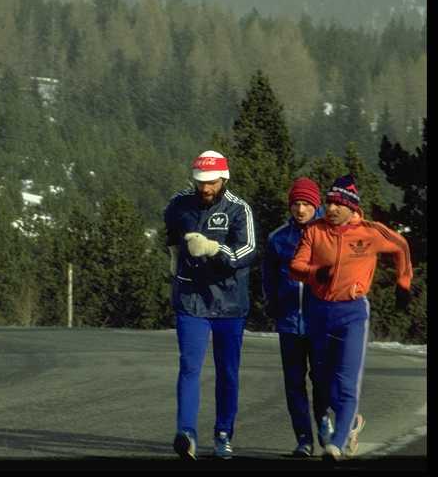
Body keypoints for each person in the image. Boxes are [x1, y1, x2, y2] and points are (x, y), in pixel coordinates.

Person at [289, 174, 413, 461]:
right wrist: (313, 272)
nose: (330, 209)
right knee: (321, 379)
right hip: (319, 312)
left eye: (337, 204)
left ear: (351, 207)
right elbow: (294, 266)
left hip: (353, 313)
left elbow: (401, 247)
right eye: (328, 202)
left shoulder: (369, 232)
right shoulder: (314, 231)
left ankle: (337, 442)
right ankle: (353, 421)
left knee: (346, 381)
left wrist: (403, 283)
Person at [163, 150, 257, 460]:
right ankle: (186, 433)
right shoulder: (179, 204)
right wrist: (174, 255)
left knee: (226, 372)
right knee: (189, 367)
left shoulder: (238, 209)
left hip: (229, 302)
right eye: (201, 182)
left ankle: (222, 433)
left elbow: (247, 252)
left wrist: (215, 248)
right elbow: (170, 230)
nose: (205, 188)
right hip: (191, 299)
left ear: (224, 179)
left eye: (212, 182)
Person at [263, 177, 334, 457]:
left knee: (322, 379)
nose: (300, 210)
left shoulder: (330, 233)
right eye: (296, 204)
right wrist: (274, 305)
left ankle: (325, 427)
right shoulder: (278, 238)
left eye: (306, 204)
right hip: (290, 323)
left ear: (316, 205)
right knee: (294, 382)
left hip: (321, 322)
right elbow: (269, 278)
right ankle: (304, 439)